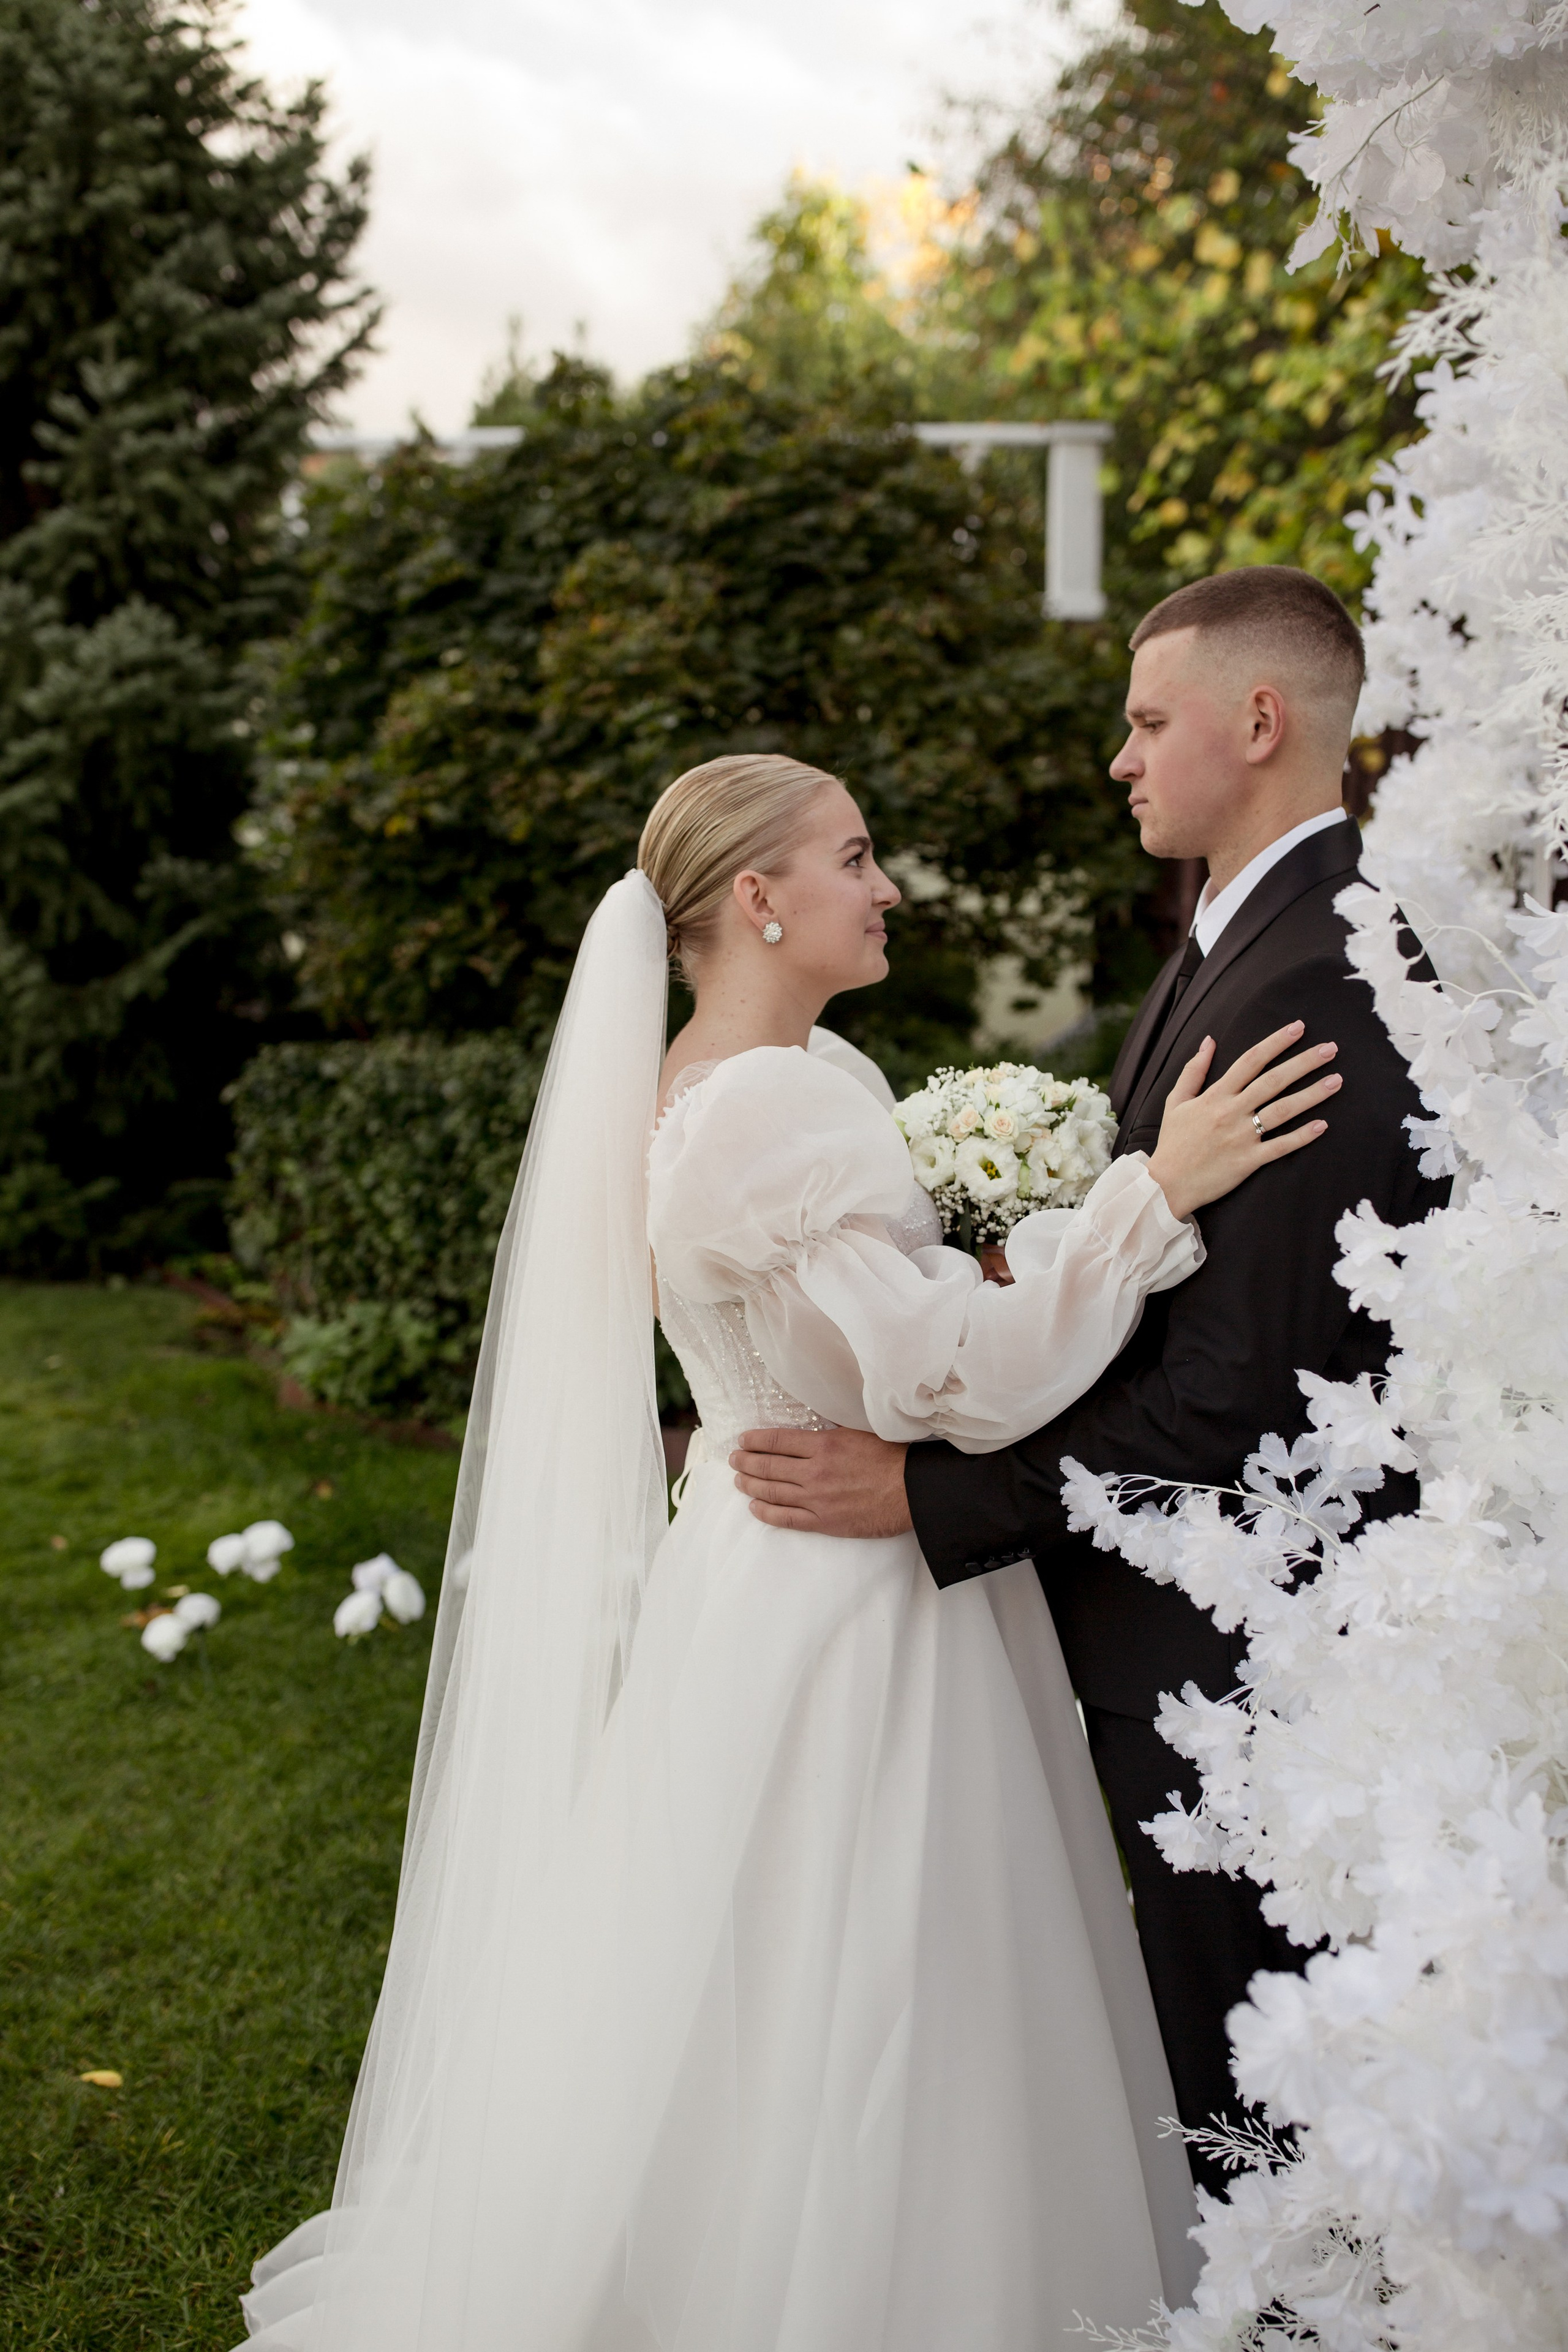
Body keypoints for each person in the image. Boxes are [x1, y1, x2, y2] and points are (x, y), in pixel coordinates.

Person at [236, 751, 1340, 2351]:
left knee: (763, 1963)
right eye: (856, 856)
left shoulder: (746, 1076)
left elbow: (854, 1333)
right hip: (857, 1594)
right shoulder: (775, 1106)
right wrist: (1149, 1197)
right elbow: (944, 1382)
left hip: (759, 1573)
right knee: (888, 1968)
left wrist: (993, 1253)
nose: (886, 888)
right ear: (758, 896)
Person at [729, 569, 1451, 2195]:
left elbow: (1241, 1395)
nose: (1121, 759)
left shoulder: (1320, 982)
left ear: (1256, 721)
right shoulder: (1238, 938)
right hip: (1163, 1632)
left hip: (1237, 1662)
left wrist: (934, 1494)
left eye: (1145, 721)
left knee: (1259, 2102)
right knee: (1204, 2064)